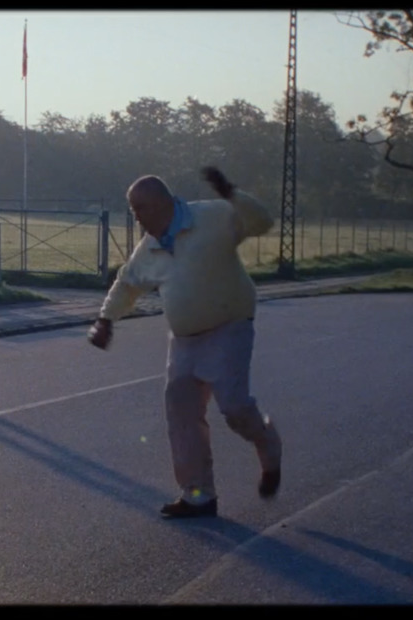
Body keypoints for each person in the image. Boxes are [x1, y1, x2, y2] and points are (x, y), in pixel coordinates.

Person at [87, 167, 282, 519]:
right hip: (185, 340)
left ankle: (268, 444)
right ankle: (198, 496)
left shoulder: (212, 216)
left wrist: (232, 193)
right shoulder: (150, 248)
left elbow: (262, 222)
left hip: (229, 326)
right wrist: (105, 320)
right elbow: (127, 284)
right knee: (181, 413)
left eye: (140, 208)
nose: (136, 216)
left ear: (163, 203)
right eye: (132, 209)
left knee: (235, 408)